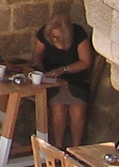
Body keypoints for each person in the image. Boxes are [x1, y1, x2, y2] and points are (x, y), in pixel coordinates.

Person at [31, 16, 96, 149]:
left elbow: (86, 61)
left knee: (77, 112)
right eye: (52, 37)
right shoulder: (44, 34)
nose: (54, 40)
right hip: (53, 80)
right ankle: (58, 147)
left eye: (57, 37)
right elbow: (37, 54)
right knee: (58, 109)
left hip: (76, 79)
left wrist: (64, 69)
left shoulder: (78, 34)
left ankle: (76, 149)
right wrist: (38, 65)